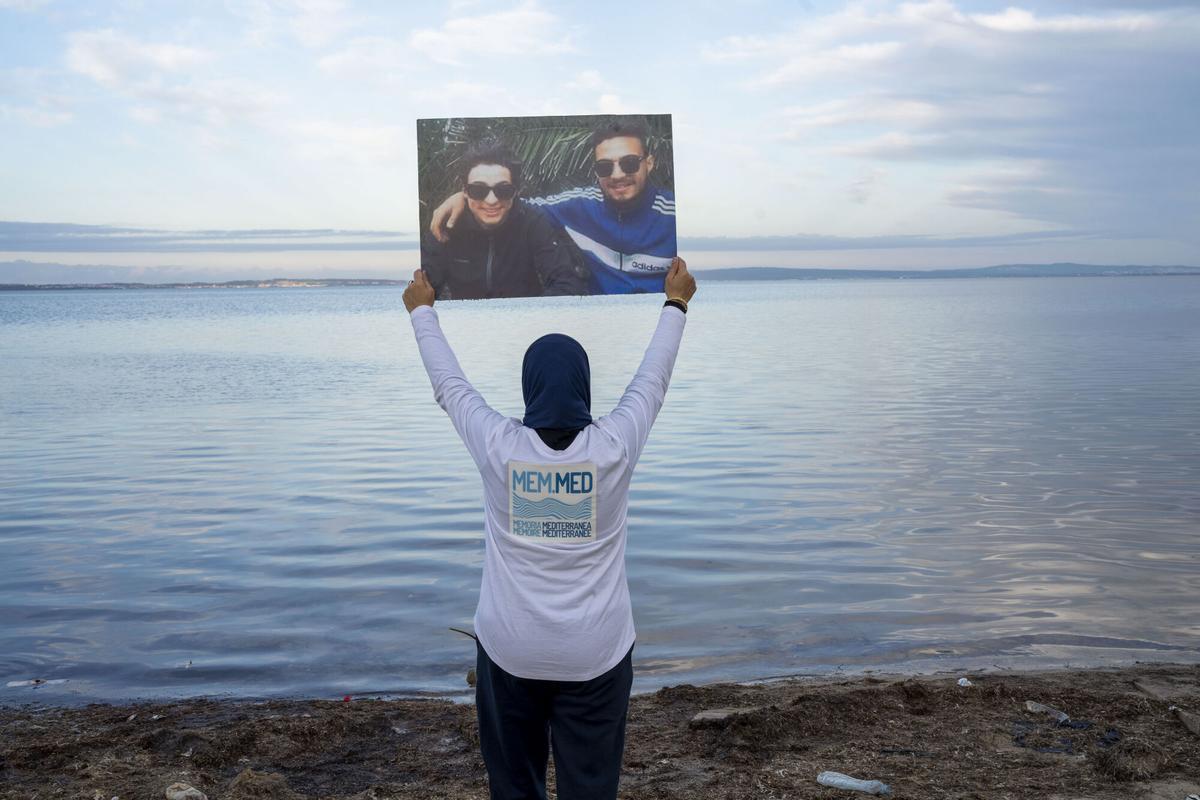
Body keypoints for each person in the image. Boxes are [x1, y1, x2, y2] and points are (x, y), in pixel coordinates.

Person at [402, 257, 697, 800]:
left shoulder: (499, 448)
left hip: (511, 652)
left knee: (515, 786)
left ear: (528, 386)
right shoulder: (613, 448)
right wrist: (676, 303)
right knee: (590, 787)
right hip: (596, 654)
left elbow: (450, 385)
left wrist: (422, 312)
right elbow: (653, 379)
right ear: (583, 385)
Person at [430, 119, 676, 295]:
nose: (618, 174)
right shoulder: (578, 206)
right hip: (599, 325)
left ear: (650, 163)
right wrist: (463, 197)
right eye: (605, 167)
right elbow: (506, 203)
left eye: (630, 163)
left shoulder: (675, 217)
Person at [421, 141, 589, 300]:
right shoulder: (448, 225)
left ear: (515, 191)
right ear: (464, 190)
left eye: (503, 190)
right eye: (478, 190)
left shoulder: (532, 221)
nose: (491, 200)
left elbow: (567, 284)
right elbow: (422, 286)